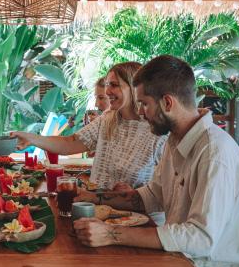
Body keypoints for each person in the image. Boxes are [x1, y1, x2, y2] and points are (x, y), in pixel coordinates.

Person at [74, 55, 239, 267]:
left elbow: (200, 238)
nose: (140, 112)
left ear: (167, 103)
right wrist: (92, 198)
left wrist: (111, 234)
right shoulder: (176, 140)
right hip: (175, 262)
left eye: (144, 104)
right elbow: (151, 196)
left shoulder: (214, 153)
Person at [12, 62, 166, 190]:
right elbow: (70, 143)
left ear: (133, 88)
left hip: (139, 220)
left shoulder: (156, 130)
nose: (107, 91)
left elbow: (165, 188)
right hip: (100, 209)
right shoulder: (108, 119)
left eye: (114, 85)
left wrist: (136, 194)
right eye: (106, 85)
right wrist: (32, 139)